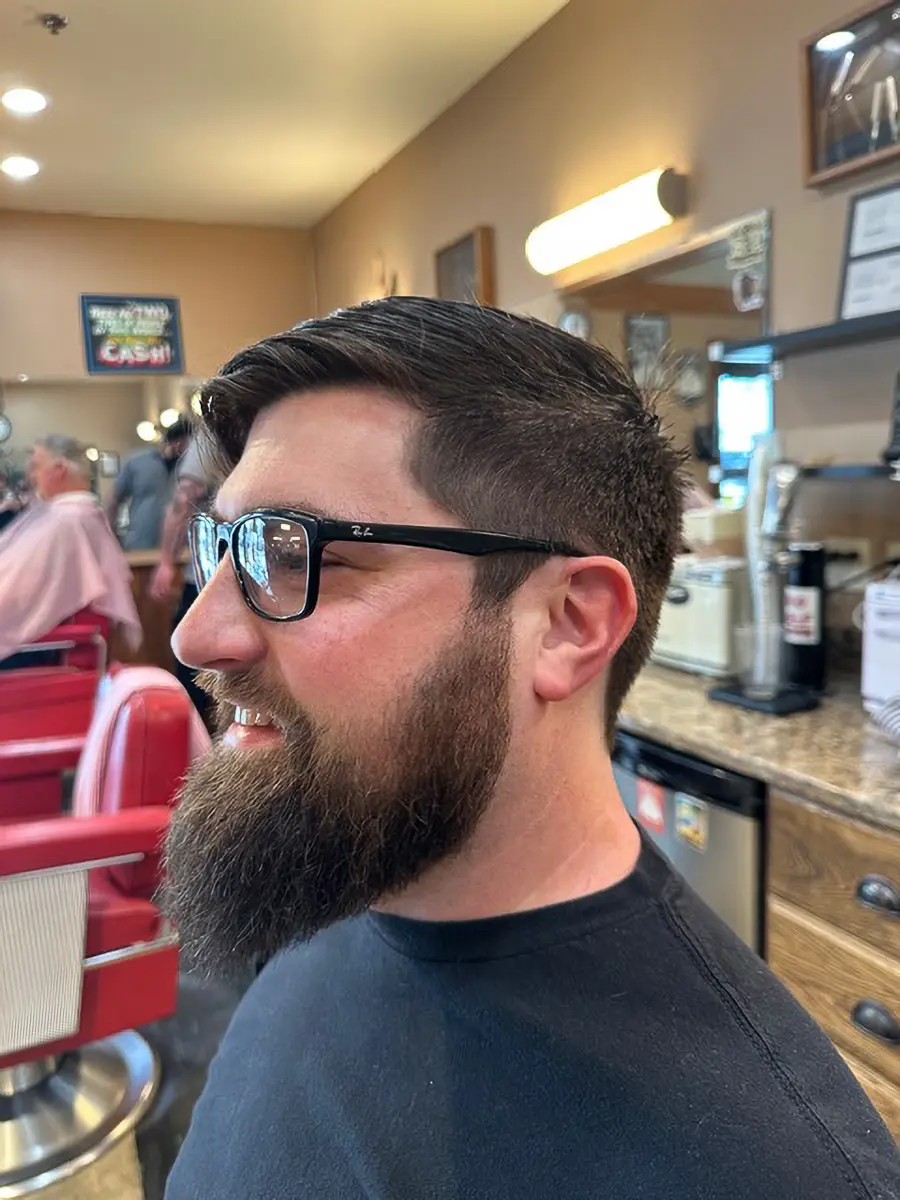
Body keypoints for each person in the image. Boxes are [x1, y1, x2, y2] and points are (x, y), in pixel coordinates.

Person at [163, 298, 897, 1200]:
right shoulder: (335, 863)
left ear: (567, 624)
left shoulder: (774, 1169)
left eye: (296, 551)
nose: (197, 637)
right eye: (224, 544)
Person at [0, 435, 141, 663]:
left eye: (36, 466)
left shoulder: (69, 521)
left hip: (40, 650)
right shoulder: (76, 515)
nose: (32, 476)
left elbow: (19, 590)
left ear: (59, 469)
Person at [149, 435, 214, 725]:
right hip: (260, 574)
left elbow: (183, 499)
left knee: (192, 663)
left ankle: (197, 740)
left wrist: (166, 562)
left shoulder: (211, 434)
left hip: (210, 576)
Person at [107, 417, 191, 549]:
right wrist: (112, 534)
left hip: (181, 544)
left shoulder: (189, 467)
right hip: (141, 541)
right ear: (177, 442)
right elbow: (114, 498)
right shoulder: (137, 462)